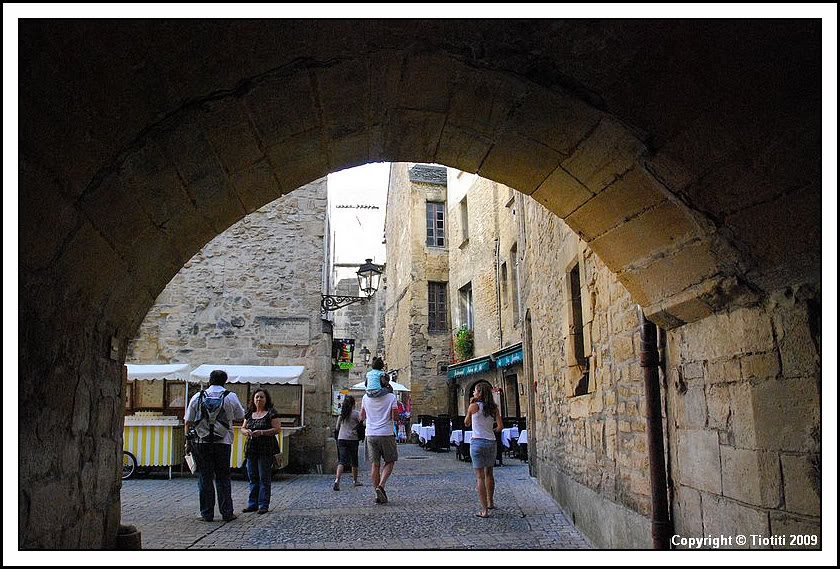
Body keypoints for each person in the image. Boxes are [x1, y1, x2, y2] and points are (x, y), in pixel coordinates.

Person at [184, 369, 245, 522]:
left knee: (205, 478)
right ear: (225, 381)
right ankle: (227, 512)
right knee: (223, 477)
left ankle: (206, 513)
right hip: (223, 441)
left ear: (209, 381)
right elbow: (240, 416)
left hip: (201, 441)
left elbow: (188, 420)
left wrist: (187, 442)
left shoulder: (198, 396)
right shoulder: (230, 397)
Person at [464, 383, 503, 518]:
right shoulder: (494, 408)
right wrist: (490, 431)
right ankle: (491, 502)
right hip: (491, 442)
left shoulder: (473, 406)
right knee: (489, 473)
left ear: (479, 393)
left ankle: (484, 510)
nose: (473, 393)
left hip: (477, 442)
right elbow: (500, 427)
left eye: (474, 391)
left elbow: (466, 423)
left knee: (479, 477)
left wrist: (470, 407)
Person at [241, 389, 282, 514]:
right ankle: (252, 503)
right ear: (253, 399)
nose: (259, 399)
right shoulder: (249, 413)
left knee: (264, 477)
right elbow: (243, 428)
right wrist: (246, 432)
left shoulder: (271, 413)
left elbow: (277, 429)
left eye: (261, 397)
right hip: (251, 448)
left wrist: (262, 432)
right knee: (252, 476)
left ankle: (263, 504)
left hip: (265, 449)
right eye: (257, 397)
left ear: (266, 399)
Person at [360, 380, 399, 505]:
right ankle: (381, 486)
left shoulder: (365, 397)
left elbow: (362, 416)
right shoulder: (391, 397)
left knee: (375, 465)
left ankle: (376, 494)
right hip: (386, 433)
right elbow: (395, 417)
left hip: (370, 433)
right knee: (390, 461)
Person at [333, 395, 363, 491]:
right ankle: (355, 480)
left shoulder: (342, 414)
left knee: (342, 461)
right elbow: (362, 423)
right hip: (352, 439)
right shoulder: (356, 413)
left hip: (341, 438)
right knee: (354, 461)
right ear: (353, 403)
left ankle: (337, 480)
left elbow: (337, 427)